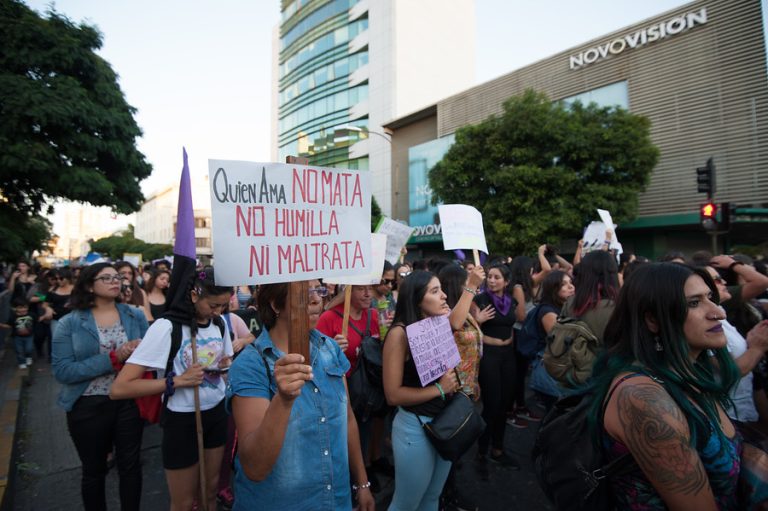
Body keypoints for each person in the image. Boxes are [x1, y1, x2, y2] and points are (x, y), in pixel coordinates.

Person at [594, 263, 742, 509]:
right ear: (653, 320)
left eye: (710, 298)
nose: (718, 313)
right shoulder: (643, 399)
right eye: (694, 303)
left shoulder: (689, 374)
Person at [227, 279, 374, 511]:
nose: (317, 299)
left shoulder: (330, 349)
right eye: (304, 293)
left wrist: (362, 483)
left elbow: (346, 419)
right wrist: (283, 401)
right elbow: (254, 467)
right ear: (276, 304)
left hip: (337, 501)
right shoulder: (251, 365)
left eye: (319, 290)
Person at [110, 269, 234, 511]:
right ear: (195, 295)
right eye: (214, 305)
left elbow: (226, 364)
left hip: (216, 413)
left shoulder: (218, 324)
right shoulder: (166, 327)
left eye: (223, 306)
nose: (219, 312)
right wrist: (176, 381)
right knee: (184, 502)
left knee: (210, 491)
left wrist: (223, 368)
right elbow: (120, 388)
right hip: (182, 419)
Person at [51, 262, 148, 511]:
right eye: (106, 278)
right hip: (87, 404)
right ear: (88, 285)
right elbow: (63, 371)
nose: (115, 281)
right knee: (94, 471)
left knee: (130, 466)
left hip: (128, 401)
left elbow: (150, 356)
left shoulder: (134, 315)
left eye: (117, 277)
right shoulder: (70, 323)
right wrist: (113, 359)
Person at [382, 270, 460, 511]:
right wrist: (439, 389)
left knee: (432, 496)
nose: (444, 296)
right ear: (416, 299)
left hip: (445, 424)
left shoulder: (436, 324)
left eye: (441, 289)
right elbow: (393, 395)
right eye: (435, 291)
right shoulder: (399, 334)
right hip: (416, 428)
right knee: (406, 503)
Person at [437, 263, 485, 510]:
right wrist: (473, 286)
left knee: (455, 453)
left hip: (467, 389)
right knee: (448, 451)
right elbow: (454, 325)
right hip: (452, 391)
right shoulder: (444, 313)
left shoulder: (463, 309)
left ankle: (449, 490)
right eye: (464, 280)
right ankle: (445, 497)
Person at [471, 263, 521, 468]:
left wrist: (508, 345)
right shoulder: (479, 299)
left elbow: (512, 326)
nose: (491, 280)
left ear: (506, 281)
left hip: (508, 356)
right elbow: (468, 330)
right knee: (491, 404)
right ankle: (482, 449)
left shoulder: (513, 301)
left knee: (505, 405)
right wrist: (479, 320)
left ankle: (498, 449)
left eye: (497, 277)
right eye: (489, 277)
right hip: (489, 356)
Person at [0, 297, 36, 369]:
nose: (23, 309)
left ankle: (28, 357)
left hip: (29, 336)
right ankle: (22, 362)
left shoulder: (31, 315)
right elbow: (9, 325)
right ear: (15, 308)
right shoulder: (13, 317)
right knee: (19, 350)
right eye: (20, 308)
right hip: (17, 337)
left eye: (25, 307)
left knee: (29, 348)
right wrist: (1, 325)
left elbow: (36, 321)